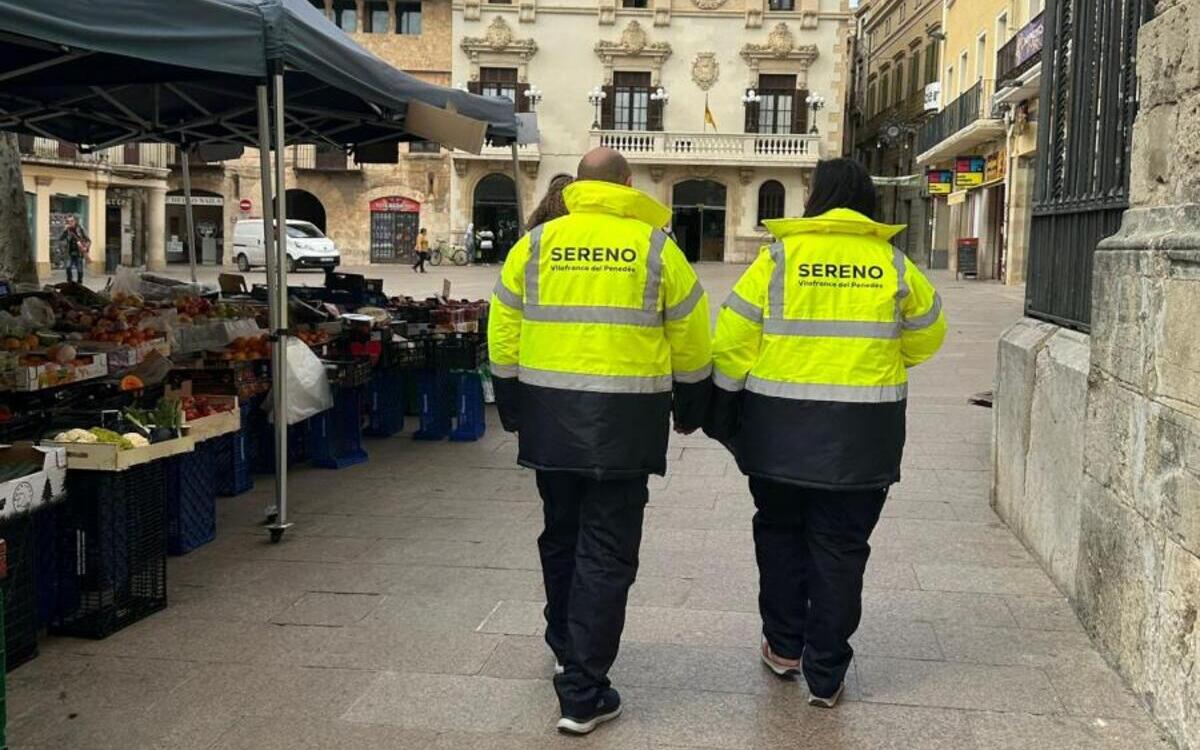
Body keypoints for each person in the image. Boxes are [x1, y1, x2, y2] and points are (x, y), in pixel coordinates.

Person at [706, 158, 946, 708]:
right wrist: (885, 355)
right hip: (862, 436)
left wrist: (721, 402)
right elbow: (930, 334)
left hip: (778, 431)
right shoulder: (893, 264)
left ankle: (784, 648)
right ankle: (827, 673)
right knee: (842, 548)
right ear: (867, 200)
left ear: (814, 198)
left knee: (780, 536)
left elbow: (734, 340)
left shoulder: (778, 260)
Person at [489, 148, 713, 735]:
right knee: (607, 551)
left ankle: (564, 645)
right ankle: (584, 692)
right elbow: (691, 334)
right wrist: (692, 404)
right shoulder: (656, 246)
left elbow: (503, 327)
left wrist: (510, 401)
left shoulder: (534, 245)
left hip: (549, 418)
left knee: (560, 535)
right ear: (626, 184)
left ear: (579, 187)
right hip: (624, 426)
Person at [59, 214, 90, 284]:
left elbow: (88, 240)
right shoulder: (66, 230)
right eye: (68, 221)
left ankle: (79, 283)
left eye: (72, 221)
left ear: (75, 221)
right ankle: (69, 283)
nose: (70, 223)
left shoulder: (80, 229)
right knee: (68, 267)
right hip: (69, 252)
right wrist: (64, 230)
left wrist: (85, 248)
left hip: (79, 253)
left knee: (79, 270)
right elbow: (61, 238)